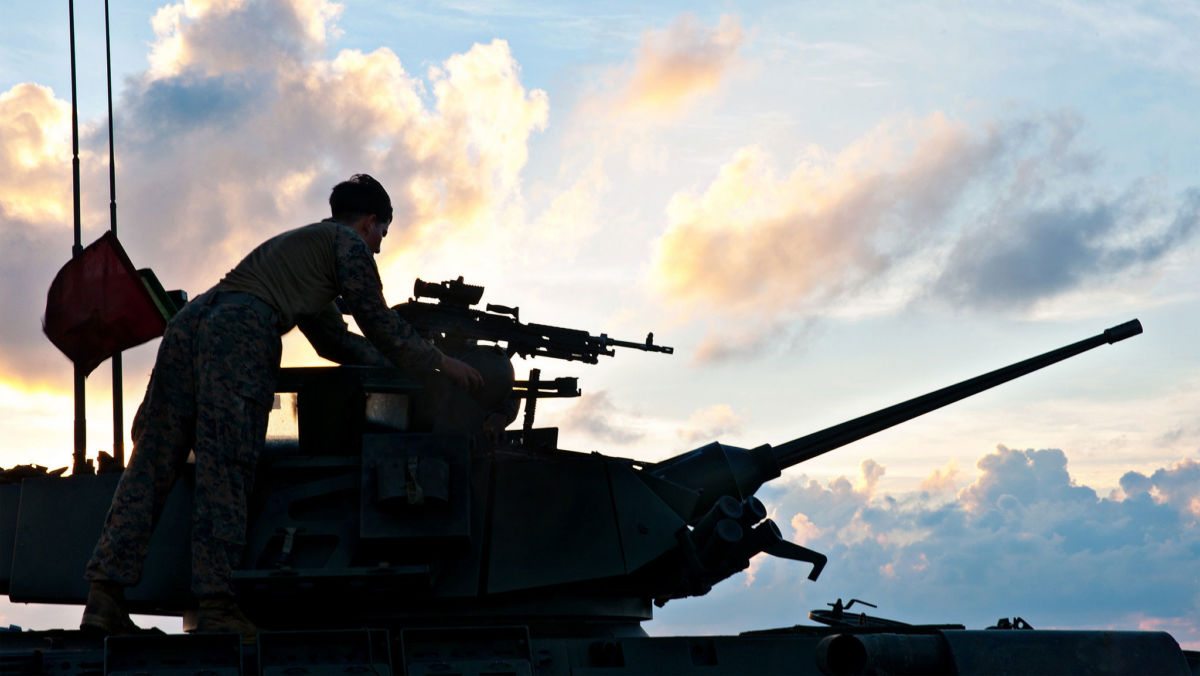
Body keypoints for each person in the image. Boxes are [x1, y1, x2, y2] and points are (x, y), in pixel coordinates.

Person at [80, 174, 482, 639]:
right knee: (225, 468)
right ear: (371, 222)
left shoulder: (304, 253)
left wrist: (405, 367)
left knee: (151, 465)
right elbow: (378, 321)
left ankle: (104, 598)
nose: (377, 250)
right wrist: (440, 364)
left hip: (192, 324)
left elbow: (335, 341)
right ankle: (217, 606)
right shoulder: (346, 245)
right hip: (241, 330)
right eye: (381, 236)